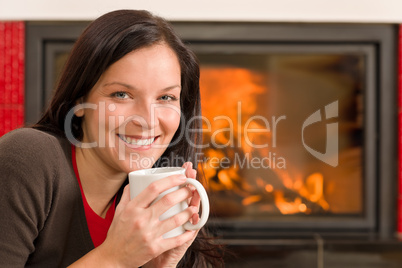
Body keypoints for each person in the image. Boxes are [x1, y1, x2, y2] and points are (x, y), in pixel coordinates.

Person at [0, 9, 223, 267]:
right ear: (79, 100)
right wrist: (115, 258)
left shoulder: (151, 207)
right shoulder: (27, 159)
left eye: (166, 98)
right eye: (121, 94)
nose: (148, 121)